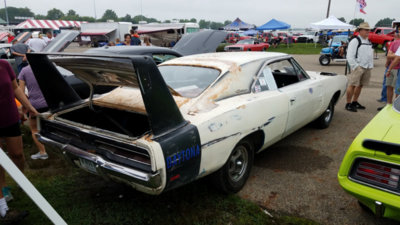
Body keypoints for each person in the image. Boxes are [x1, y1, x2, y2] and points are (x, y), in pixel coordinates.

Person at [0, 59, 37, 223]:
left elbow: (15, 88)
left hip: (9, 118)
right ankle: (3, 194)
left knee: (17, 154)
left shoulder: (4, 65)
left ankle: (21, 181)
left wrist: (28, 106)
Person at [18, 65, 49, 159]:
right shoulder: (46, 67)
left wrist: (24, 106)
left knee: (35, 129)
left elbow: (21, 92)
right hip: (49, 103)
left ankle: (43, 152)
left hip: (34, 106)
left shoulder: (24, 71)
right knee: (52, 127)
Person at [345, 22, 374, 112]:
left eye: (368, 30)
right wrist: (356, 66)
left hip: (367, 67)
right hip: (358, 67)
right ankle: (348, 103)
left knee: (360, 85)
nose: (368, 31)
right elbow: (349, 56)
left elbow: (369, 54)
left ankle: (355, 102)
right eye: (366, 30)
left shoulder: (368, 41)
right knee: (352, 84)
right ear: (360, 30)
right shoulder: (355, 41)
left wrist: (370, 65)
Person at [378, 31, 400, 110]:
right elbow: (388, 56)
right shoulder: (394, 43)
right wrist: (395, 56)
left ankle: (394, 107)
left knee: (396, 89)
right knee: (390, 86)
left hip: (395, 68)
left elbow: (394, 57)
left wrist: (389, 66)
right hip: (393, 67)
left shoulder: (394, 43)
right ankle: (390, 105)